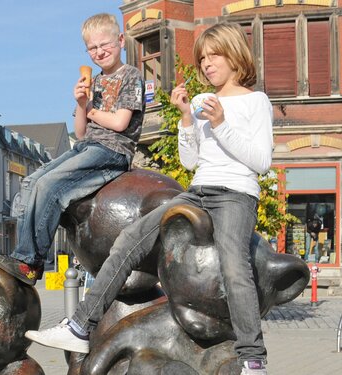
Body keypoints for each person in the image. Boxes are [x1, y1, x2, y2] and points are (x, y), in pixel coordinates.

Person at [25, 22, 273, 375]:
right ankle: (81, 326)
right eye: (202, 58)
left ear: (235, 55)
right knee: (130, 238)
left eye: (213, 56)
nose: (206, 64)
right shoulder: (206, 102)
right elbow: (191, 160)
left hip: (235, 195)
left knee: (234, 265)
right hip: (200, 190)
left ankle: (253, 357)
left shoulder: (254, 101)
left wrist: (221, 124)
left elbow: (260, 160)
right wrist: (188, 120)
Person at [0, 13, 145, 285]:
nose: (99, 52)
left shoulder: (131, 76)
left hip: (112, 150)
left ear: (120, 40)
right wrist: (81, 103)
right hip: (88, 145)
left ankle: (29, 261)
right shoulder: (93, 81)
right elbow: (82, 131)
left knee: (49, 185)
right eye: (93, 48)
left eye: (105, 44)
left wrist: (92, 109)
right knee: (31, 182)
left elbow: (120, 123)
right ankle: (21, 254)